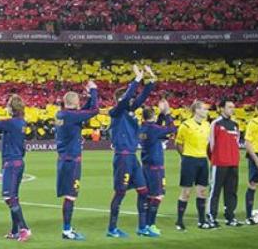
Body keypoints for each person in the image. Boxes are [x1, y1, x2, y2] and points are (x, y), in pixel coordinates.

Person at [107, 66, 153, 238]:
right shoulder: (116, 112)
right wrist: (136, 80)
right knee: (120, 192)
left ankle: (142, 227)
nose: (133, 100)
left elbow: (143, 96)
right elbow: (127, 98)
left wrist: (150, 79)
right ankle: (112, 229)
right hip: (123, 156)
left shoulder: (130, 111)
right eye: (129, 98)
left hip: (132, 156)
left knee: (143, 191)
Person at [55, 79, 100, 240]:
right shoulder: (71, 116)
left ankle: (67, 228)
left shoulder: (62, 114)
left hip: (63, 159)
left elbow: (84, 112)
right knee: (71, 195)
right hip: (72, 159)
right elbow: (94, 110)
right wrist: (93, 90)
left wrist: (88, 97)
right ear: (75, 102)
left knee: (69, 194)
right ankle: (67, 231)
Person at [139, 98, 177, 234]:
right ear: (153, 116)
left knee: (149, 196)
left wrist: (160, 115)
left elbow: (158, 128)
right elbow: (172, 128)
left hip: (146, 166)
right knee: (157, 196)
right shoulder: (154, 129)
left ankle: (145, 225)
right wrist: (166, 113)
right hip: (156, 167)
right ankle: (151, 225)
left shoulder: (142, 127)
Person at [0, 94, 31, 242]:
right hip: (18, 162)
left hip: (11, 163)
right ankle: (15, 230)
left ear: (12, 108)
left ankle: (24, 228)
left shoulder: (11, 123)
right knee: (14, 197)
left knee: (8, 197)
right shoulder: (21, 122)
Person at [175, 100, 212, 231]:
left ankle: (202, 221)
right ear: (197, 110)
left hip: (203, 160)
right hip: (189, 160)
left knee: (202, 191)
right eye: (204, 109)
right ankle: (179, 221)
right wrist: (184, 156)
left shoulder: (208, 125)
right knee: (186, 192)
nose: (206, 111)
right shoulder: (186, 125)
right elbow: (178, 143)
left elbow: (208, 145)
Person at [208, 100, 242, 227]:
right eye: (229, 107)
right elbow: (211, 145)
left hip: (233, 163)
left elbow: (236, 143)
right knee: (215, 191)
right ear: (221, 108)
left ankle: (230, 217)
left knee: (231, 191)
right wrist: (215, 159)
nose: (232, 109)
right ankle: (211, 216)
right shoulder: (216, 124)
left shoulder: (235, 125)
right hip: (220, 162)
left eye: (233, 107)